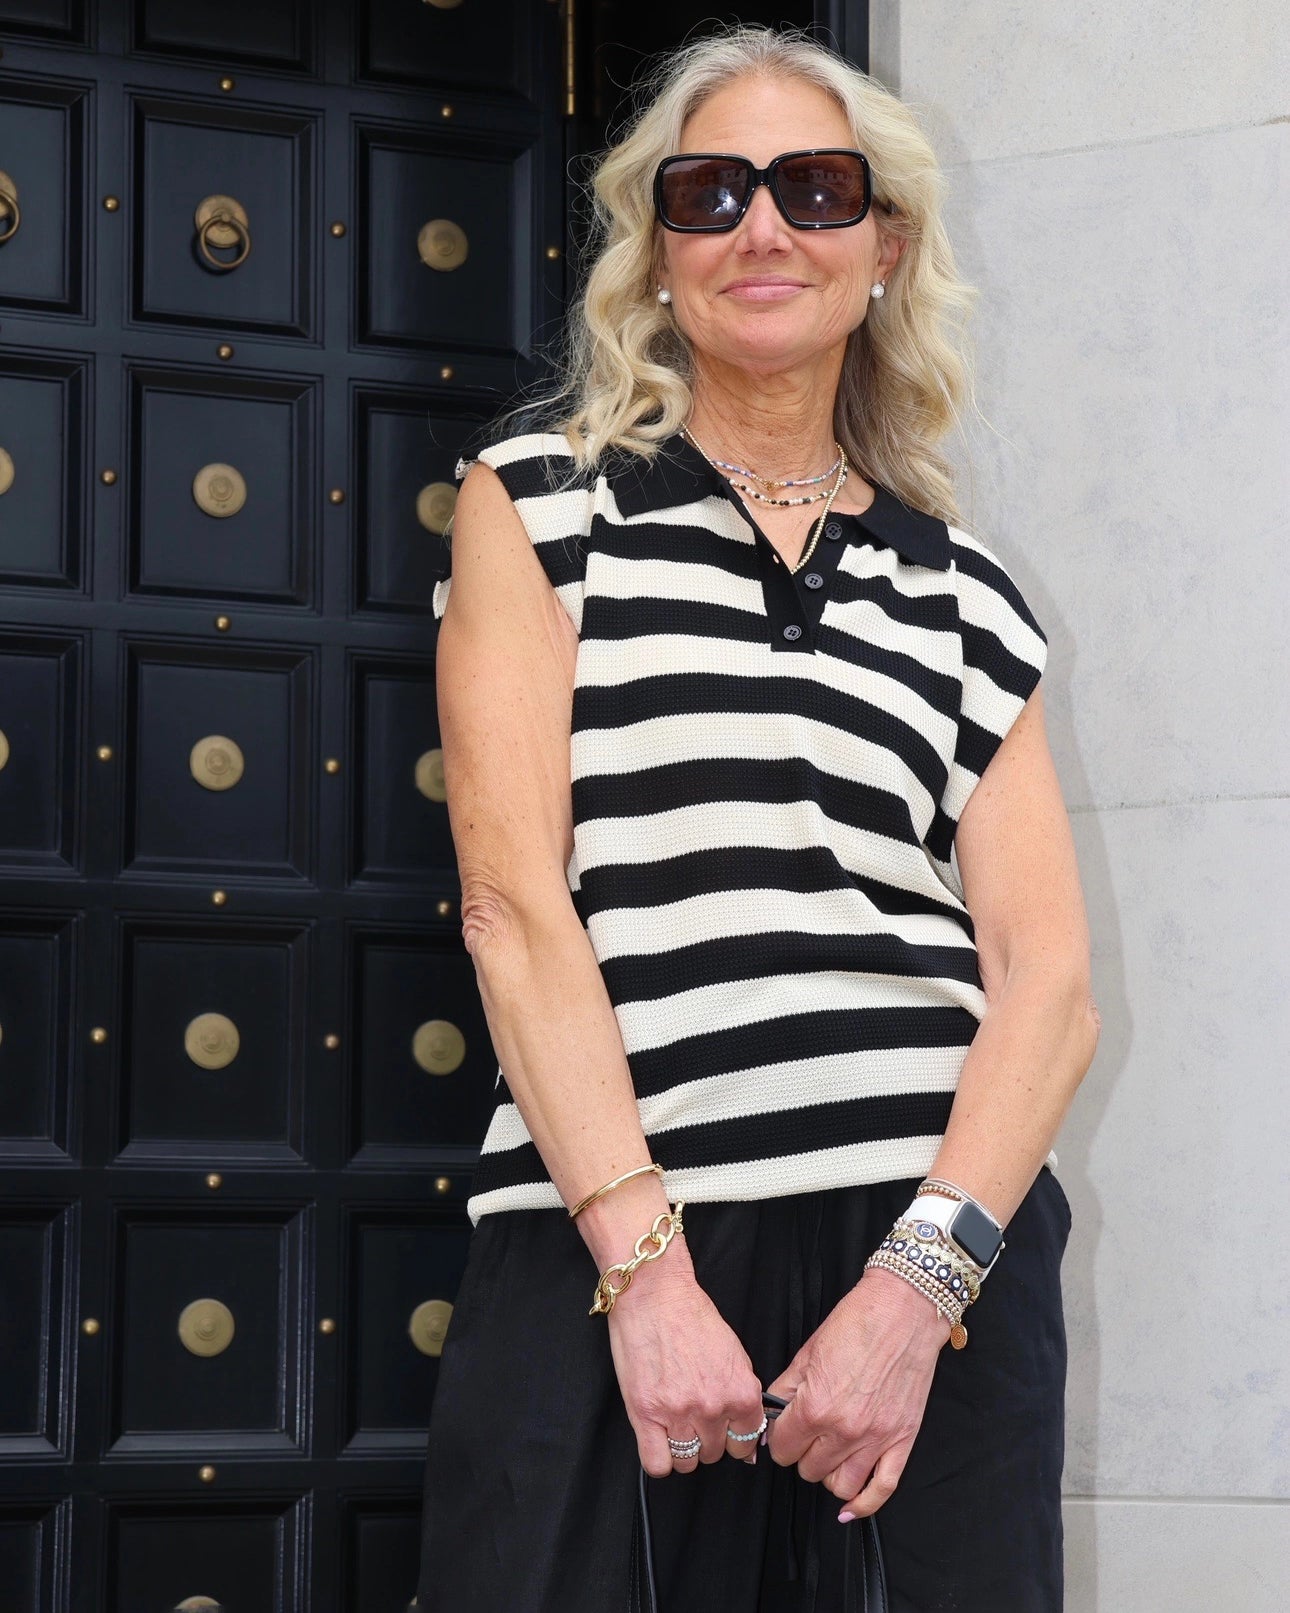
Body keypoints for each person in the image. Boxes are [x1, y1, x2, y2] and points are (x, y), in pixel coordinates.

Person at [415, 24, 1099, 1613]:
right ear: (657, 255)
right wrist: (645, 1273)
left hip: (932, 1253)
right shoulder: (540, 504)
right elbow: (512, 906)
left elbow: (1045, 982)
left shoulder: (970, 591)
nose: (764, 227)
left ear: (885, 245)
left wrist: (914, 1294)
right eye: (709, 192)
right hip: (613, 1236)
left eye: (815, 188)